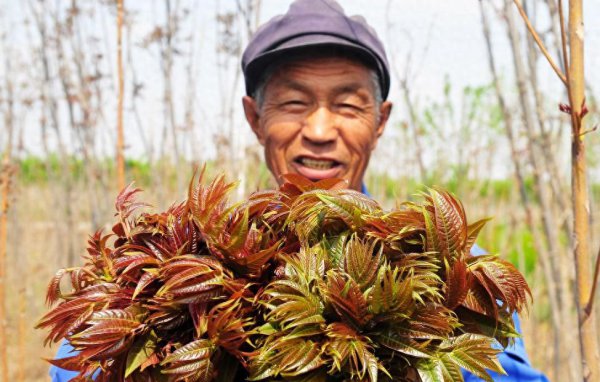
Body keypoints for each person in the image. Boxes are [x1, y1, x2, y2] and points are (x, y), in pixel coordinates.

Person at [50, 0, 548, 380]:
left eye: (348, 106)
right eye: (294, 102)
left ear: (380, 121)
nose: (319, 129)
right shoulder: (199, 255)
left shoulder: (447, 265)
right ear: (254, 117)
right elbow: (77, 362)